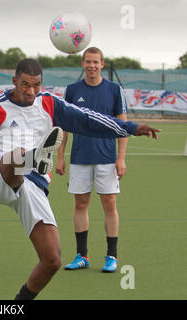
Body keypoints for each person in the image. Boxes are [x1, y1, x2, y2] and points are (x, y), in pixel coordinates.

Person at [0, 58, 160, 300]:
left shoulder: (49, 104)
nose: (31, 91)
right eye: (25, 85)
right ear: (14, 82)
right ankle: (35, 156)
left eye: (36, 85)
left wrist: (129, 127)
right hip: (0, 177)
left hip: (32, 186)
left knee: (52, 260)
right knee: (17, 155)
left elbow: (88, 120)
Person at [56, 47, 128, 272]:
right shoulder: (72, 91)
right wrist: (60, 156)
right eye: (88, 62)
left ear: (102, 64)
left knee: (110, 204)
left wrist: (121, 158)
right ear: (82, 63)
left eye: (96, 62)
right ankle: (82, 256)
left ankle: (112, 257)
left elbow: (123, 127)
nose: (92, 66)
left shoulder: (114, 90)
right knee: (80, 204)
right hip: (80, 158)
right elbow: (64, 127)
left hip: (107, 158)